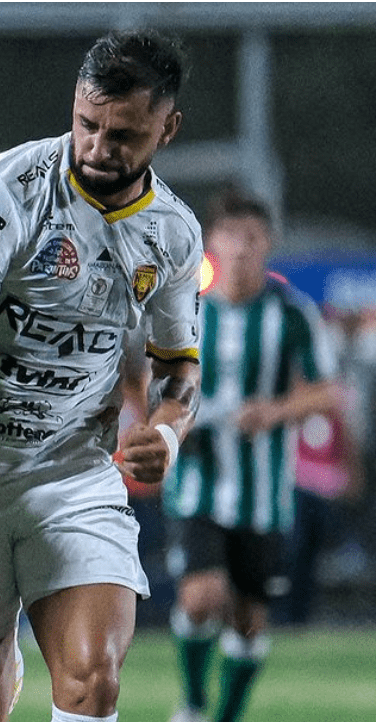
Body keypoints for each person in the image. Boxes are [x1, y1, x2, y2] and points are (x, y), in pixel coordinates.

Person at [0, 30, 203, 722]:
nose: (98, 148)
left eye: (124, 134)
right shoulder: (6, 193)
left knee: (92, 682)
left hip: (74, 472)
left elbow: (179, 371)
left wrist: (166, 436)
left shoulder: (172, 234)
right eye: (88, 124)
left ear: (167, 129)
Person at [163, 189, 341, 722]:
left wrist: (276, 410)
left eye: (252, 236)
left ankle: (227, 716)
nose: (241, 247)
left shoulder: (292, 313)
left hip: (264, 494)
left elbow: (328, 392)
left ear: (268, 243)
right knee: (200, 598)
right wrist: (172, 420)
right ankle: (194, 702)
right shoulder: (186, 311)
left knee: (248, 620)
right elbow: (151, 382)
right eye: (230, 235)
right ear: (212, 243)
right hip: (196, 481)